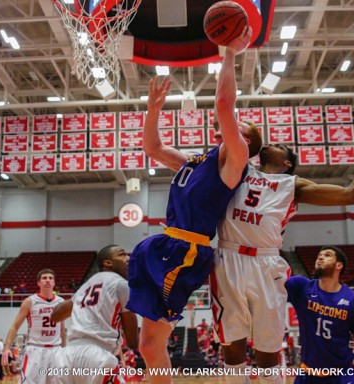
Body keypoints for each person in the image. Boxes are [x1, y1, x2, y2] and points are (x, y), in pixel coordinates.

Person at [211, 114, 354, 383]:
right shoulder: (238, 167)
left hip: (265, 262)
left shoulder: (294, 185)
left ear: (287, 162)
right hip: (228, 255)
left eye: (279, 144)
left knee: (268, 350)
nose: (270, 143)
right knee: (231, 346)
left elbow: (352, 195)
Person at [126, 27, 260, 384]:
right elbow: (153, 148)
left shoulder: (236, 162)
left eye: (238, 127)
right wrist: (152, 110)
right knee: (147, 345)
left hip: (187, 249)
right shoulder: (195, 160)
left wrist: (228, 51)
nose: (227, 127)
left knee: (154, 341)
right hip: (164, 244)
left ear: (245, 141)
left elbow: (223, 105)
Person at [285, 246, 354, 383]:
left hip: (343, 374)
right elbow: (269, 291)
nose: (320, 257)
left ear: (339, 265)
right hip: (308, 373)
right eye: (319, 255)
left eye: (327, 255)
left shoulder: (353, 299)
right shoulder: (301, 287)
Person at [51, 245, 139, 384]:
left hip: (67, 357)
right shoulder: (121, 285)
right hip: (98, 355)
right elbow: (133, 342)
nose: (128, 258)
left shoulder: (85, 287)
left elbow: (55, 316)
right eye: (122, 254)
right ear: (108, 263)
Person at [1, 269, 66, 384]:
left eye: (51, 278)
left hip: (56, 350)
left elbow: (61, 329)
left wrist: (65, 350)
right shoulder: (30, 301)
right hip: (36, 350)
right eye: (44, 278)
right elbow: (14, 327)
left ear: (54, 283)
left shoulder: (61, 302)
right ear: (38, 283)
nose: (48, 280)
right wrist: (6, 348)